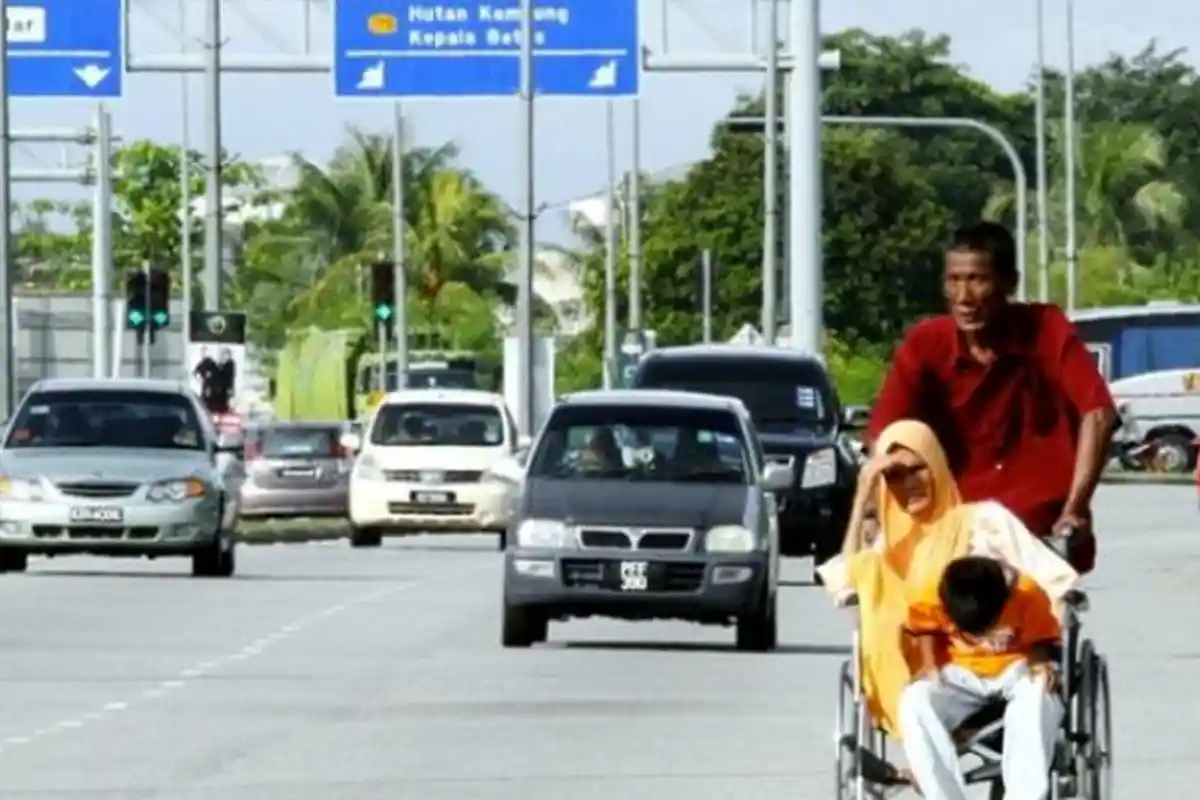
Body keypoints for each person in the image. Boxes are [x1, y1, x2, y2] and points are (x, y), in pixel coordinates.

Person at [866, 221, 1118, 573]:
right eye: (954, 280)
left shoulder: (1046, 328)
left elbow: (1099, 413)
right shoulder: (926, 345)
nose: (964, 297)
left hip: (1037, 530)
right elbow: (886, 434)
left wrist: (1074, 509)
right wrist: (879, 508)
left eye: (977, 280)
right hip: (949, 528)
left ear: (1008, 283)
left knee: (1048, 619)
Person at [818, 420, 1076, 748]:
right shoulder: (890, 545)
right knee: (869, 570)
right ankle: (926, 738)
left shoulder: (983, 521)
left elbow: (1048, 578)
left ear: (937, 466)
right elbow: (845, 585)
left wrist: (1044, 648)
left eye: (917, 470)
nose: (909, 483)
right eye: (894, 476)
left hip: (993, 657)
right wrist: (863, 492)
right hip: (918, 666)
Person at [899, 555, 1064, 800]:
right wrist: (929, 663)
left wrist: (1039, 662)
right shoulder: (937, 592)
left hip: (1015, 667)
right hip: (960, 670)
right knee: (915, 699)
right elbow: (926, 629)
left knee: (1039, 693)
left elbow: (1041, 639)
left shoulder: (1026, 593)